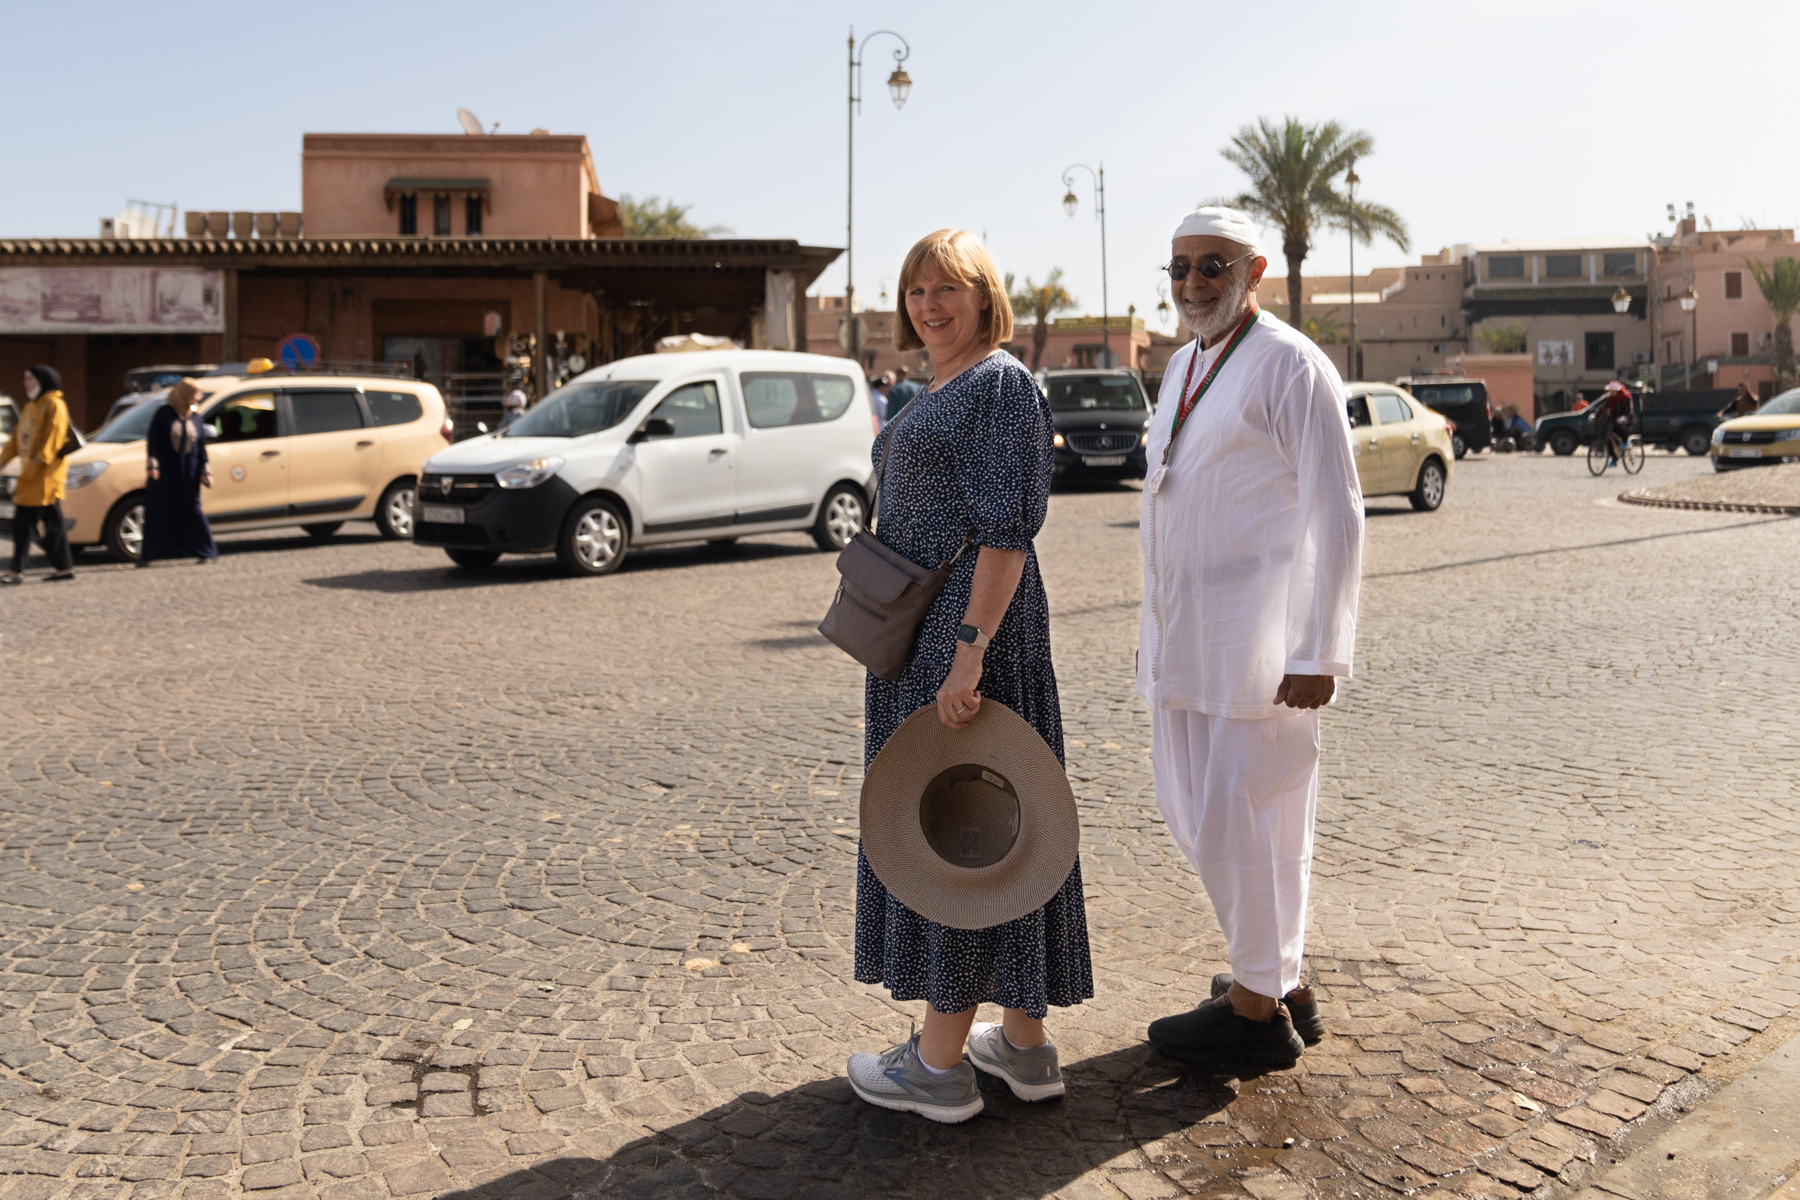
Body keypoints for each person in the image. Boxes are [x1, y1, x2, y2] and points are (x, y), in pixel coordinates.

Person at [846, 229, 1092, 1123]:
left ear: (986, 296)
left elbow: (1006, 533)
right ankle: (1023, 1048)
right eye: (917, 289)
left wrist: (970, 650)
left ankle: (939, 1064)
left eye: (948, 288)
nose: (929, 304)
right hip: (927, 643)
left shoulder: (999, 383)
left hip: (965, 645)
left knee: (955, 827)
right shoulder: (936, 387)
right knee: (998, 822)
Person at [1137, 207, 1364, 1067]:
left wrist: (1318, 652)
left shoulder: (1290, 364)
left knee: (1246, 820)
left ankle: (1253, 1009)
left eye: (1212, 266)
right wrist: (1151, 634)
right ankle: (1280, 977)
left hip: (1263, 647)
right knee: (1200, 811)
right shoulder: (1185, 365)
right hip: (1188, 639)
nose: (1193, 283)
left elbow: (1337, 512)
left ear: (1255, 269)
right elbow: (1167, 499)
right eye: (1180, 267)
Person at [1, 365, 77, 584]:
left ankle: (16, 571)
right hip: (29, 476)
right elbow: (16, 439)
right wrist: (3, 460)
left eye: (30, 379)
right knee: (52, 526)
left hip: (45, 477)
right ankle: (64, 568)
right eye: (25, 379)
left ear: (43, 380)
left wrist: (40, 460)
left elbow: (54, 436)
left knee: (23, 525)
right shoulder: (29, 407)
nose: (26, 383)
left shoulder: (54, 404)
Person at [141, 380, 217, 567]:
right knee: (158, 512)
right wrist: (153, 465)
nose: (198, 398)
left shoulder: (196, 418)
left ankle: (206, 551)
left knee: (193, 511)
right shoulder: (163, 414)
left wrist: (205, 471)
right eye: (194, 395)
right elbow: (153, 442)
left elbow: (200, 448)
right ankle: (149, 555)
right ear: (183, 394)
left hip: (189, 475)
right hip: (165, 475)